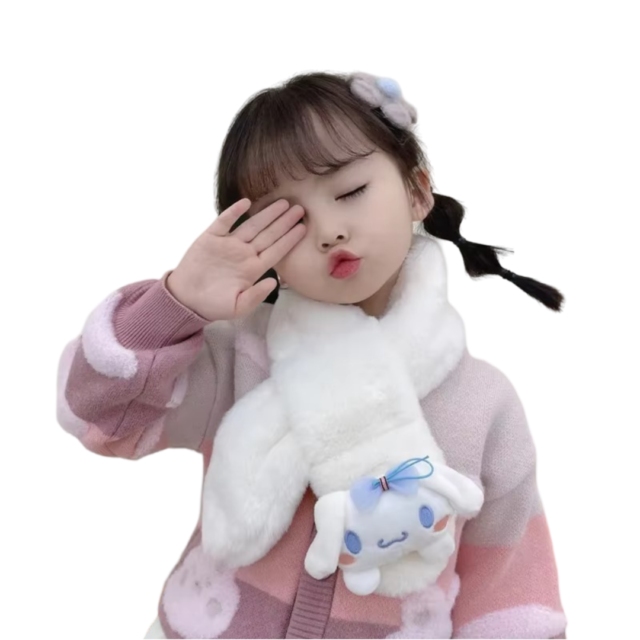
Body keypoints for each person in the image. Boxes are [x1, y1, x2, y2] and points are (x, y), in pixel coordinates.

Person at [56, 71, 568, 639]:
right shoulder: (235, 356)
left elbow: (508, 590)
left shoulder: (484, 404)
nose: (328, 232)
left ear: (418, 191)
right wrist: (176, 304)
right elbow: (97, 415)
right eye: (289, 221)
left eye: (350, 192)